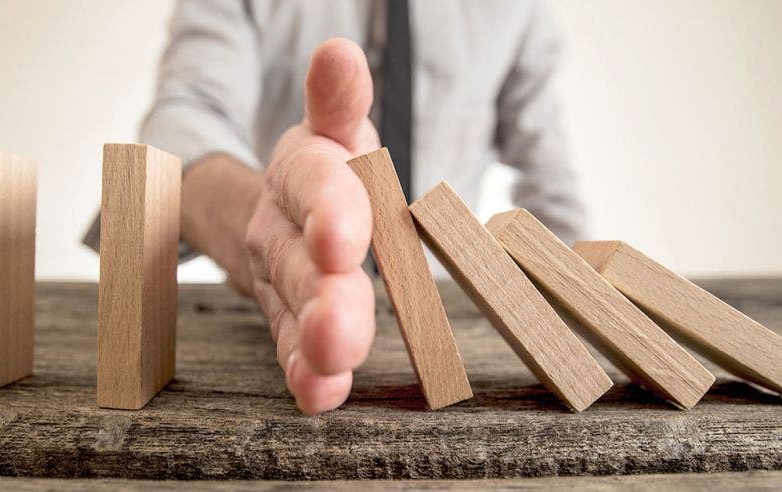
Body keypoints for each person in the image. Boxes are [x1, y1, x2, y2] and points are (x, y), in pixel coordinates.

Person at [85, 0, 586, 415]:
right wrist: (263, 216)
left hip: (447, 321)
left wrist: (579, 319)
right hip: (280, 305)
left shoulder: (518, 10)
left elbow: (550, 185)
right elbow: (186, 115)